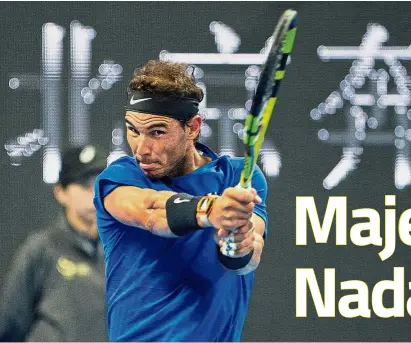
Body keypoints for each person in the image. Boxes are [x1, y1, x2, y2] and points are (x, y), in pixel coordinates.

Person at [93, 60, 268, 342]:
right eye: (133, 130)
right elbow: (151, 212)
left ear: (193, 128)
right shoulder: (119, 177)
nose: (142, 149)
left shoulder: (237, 177)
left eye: (157, 132)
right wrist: (210, 209)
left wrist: (239, 241)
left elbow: (248, 249)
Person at [0, 145, 109, 342]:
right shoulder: (41, 249)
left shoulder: (125, 251)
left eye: (101, 184)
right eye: (85, 184)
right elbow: (10, 326)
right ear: (60, 192)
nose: (94, 193)